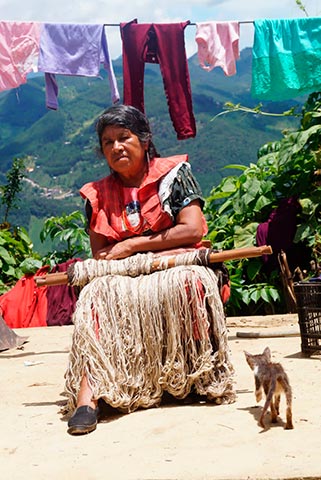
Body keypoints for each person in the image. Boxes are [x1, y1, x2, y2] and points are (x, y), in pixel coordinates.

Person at [66, 104, 232, 435]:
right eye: (107, 142)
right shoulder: (96, 194)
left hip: (177, 262)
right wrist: (127, 261)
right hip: (126, 275)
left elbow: (193, 229)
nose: (116, 147)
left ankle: (195, 374)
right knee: (97, 297)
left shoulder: (173, 175)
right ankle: (90, 395)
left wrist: (134, 246)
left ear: (144, 141)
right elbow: (101, 254)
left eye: (124, 137)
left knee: (188, 283)